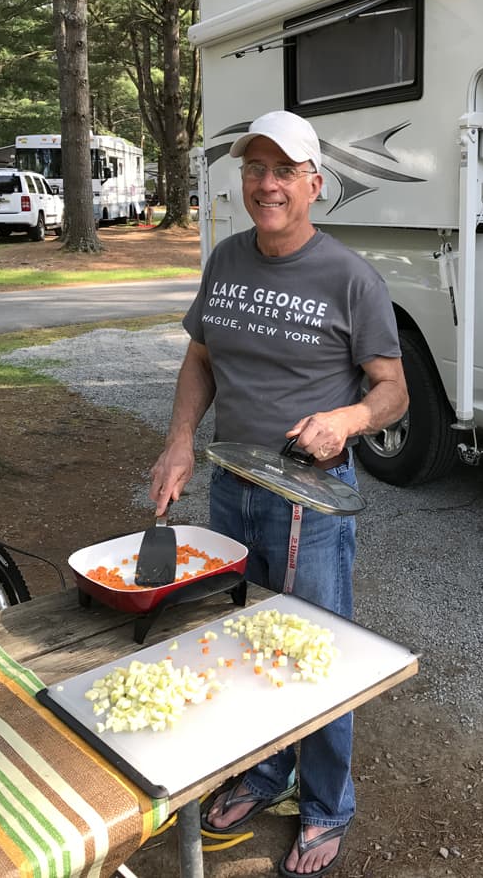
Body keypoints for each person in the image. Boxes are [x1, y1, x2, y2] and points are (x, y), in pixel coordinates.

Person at [149, 109, 408, 877]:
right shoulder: (226, 259)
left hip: (310, 499)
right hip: (233, 487)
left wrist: (350, 417)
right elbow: (200, 360)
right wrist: (178, 439)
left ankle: (327, 803)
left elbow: (392, 390)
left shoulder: (351, 277)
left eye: (284, 170)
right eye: (255, 168)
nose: (267, 183)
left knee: (313, 652)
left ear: (315, 185)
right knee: (246, 642)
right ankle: (268, 769)